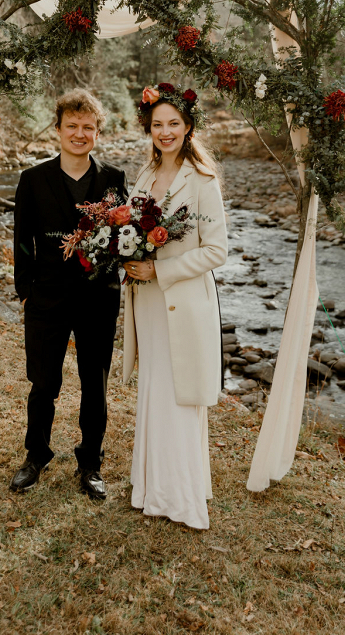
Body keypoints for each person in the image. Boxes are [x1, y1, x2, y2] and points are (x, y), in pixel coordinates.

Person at [10, 89, 127, 499]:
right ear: (58, 129)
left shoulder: (114, 180)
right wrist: (25, 291)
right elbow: (23, 240)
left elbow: (123, 238)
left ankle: (90, 463)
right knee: (44, 383)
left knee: (95, 385)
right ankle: (36, 455)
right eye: (72, 126)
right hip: (46, 298)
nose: (80, 133)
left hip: (98, 298)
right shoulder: (33, 179)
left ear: (98, 132)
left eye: (88, 127)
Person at [122, 84, 227, 529]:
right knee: (155, 391)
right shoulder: (144, 178)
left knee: (180, 396)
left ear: (188, 128)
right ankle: (151, 488)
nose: (165, 132)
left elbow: (216, 251)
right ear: (149, 127)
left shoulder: (202, 182)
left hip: (180, 302)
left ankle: (182, 498)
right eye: (158, 124)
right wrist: (125, 255)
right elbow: (129, 230)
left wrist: (160, 271)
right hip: (146, 303)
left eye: (174, 124)